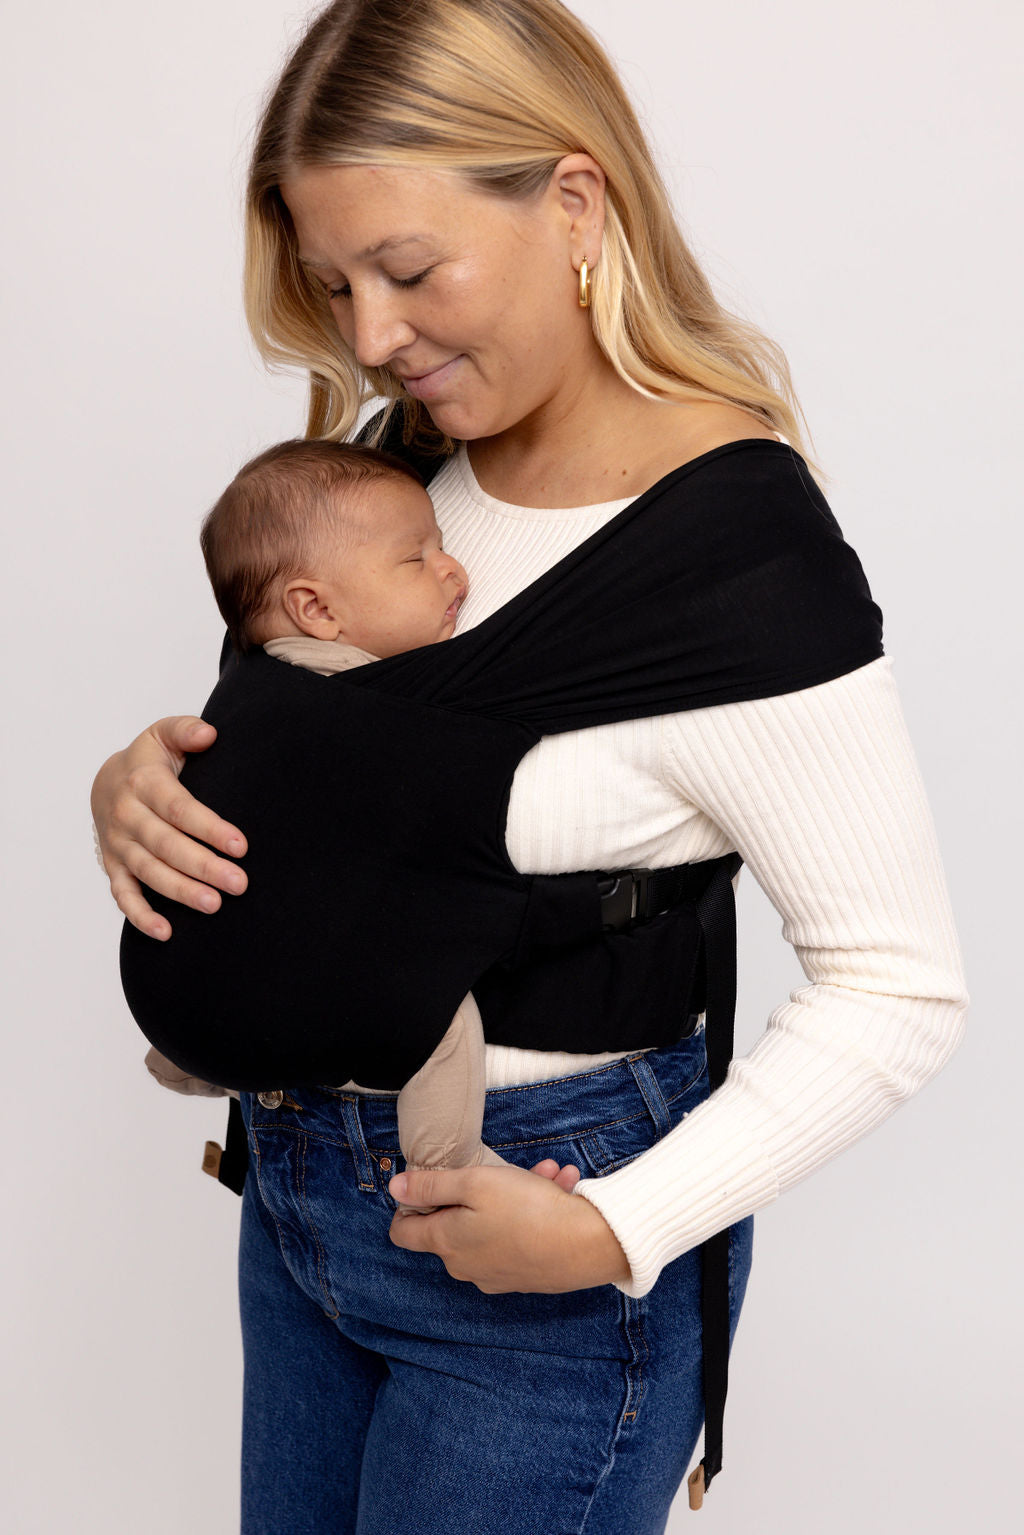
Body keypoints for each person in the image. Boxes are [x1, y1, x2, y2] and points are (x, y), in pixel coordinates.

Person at [91, 2, 968, 1529]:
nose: (371, 336)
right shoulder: (392, 472)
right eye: (334, 283)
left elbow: (898, 985)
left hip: (540, 1245)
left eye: (408, 270)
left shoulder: (732, 552)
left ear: (572, 204)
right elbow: (330, 764)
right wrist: (137, 785)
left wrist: (621, 1225)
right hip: (294, 1196)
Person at [138, 436, 513, 1217]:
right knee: (439, 1008)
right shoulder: (377, 704)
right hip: (321, 965)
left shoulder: (250, 685)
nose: (455, 570)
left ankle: (197, 1057)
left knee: (227, 942)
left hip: (182, 994)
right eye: (418, 558)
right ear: (317, 610)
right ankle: (444, 1165)